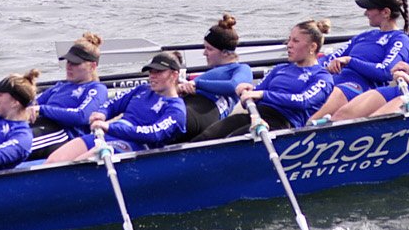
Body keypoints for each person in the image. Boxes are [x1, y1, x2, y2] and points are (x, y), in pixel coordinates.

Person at [194, 19, 335, 139]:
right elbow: (253, 94)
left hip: (282, 124)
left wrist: (262, 94)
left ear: (312, 47)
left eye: (295, 41)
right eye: (289, 39)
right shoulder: (280, 68)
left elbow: (303, 101)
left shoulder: (322, 78)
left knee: (228, 142)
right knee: (205, 138)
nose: (289, 44)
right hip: (256, 116)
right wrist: (246, 91)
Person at [47, 51, 188, 162]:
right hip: (111, 135)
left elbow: (152, 134)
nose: (152, 76)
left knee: (83, 160)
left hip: (136, 146)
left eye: (159, 72)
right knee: (54, 160)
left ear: (174, 75)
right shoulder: (142, 90)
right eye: (151, 72)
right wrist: (101, 113)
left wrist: (109, 127)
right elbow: (113, 103)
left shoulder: (176, 110)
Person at [312, 0, 409, 119]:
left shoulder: (399, 39)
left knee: (332, 96)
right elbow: (332, 57)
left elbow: (387, 71)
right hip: (334, 80)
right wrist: (308, 67)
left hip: (359, 87)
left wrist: (350, 61)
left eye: (369, 9)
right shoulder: (365, 35)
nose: (366, 13)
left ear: (386, 12)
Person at [29, 32, 110, 157]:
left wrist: (42, 109)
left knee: (17, 143)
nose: (69, 66)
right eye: (68, 62)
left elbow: (81, 116)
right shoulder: (60, 86)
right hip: (43, 127)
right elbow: (32, 104)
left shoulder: (96, 89)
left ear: (92, 66)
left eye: (75, 63)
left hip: (64, 135)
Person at [177, 14, 255, 137]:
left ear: (225, 53)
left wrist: (197, 84)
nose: (204, 53)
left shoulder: (241, 68)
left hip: (207, 109)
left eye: (209, 49)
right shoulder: (211, 72)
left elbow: (234, 86)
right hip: (188, 103)